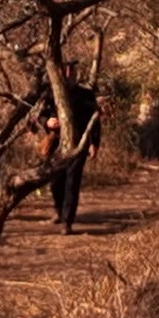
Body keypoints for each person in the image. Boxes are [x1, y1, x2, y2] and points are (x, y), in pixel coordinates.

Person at [41, 79, 103, 232]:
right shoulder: (51, 92)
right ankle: (59, 211)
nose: (68, 74)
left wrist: (95, 143)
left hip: (79, 143)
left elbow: (95, 120)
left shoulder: (86, 94)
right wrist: (48, 122)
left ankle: (67, 221)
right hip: (56, 144)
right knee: (55, 181)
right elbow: (40, 115)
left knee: (72, 181)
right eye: (65, 70)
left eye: (71, 71)